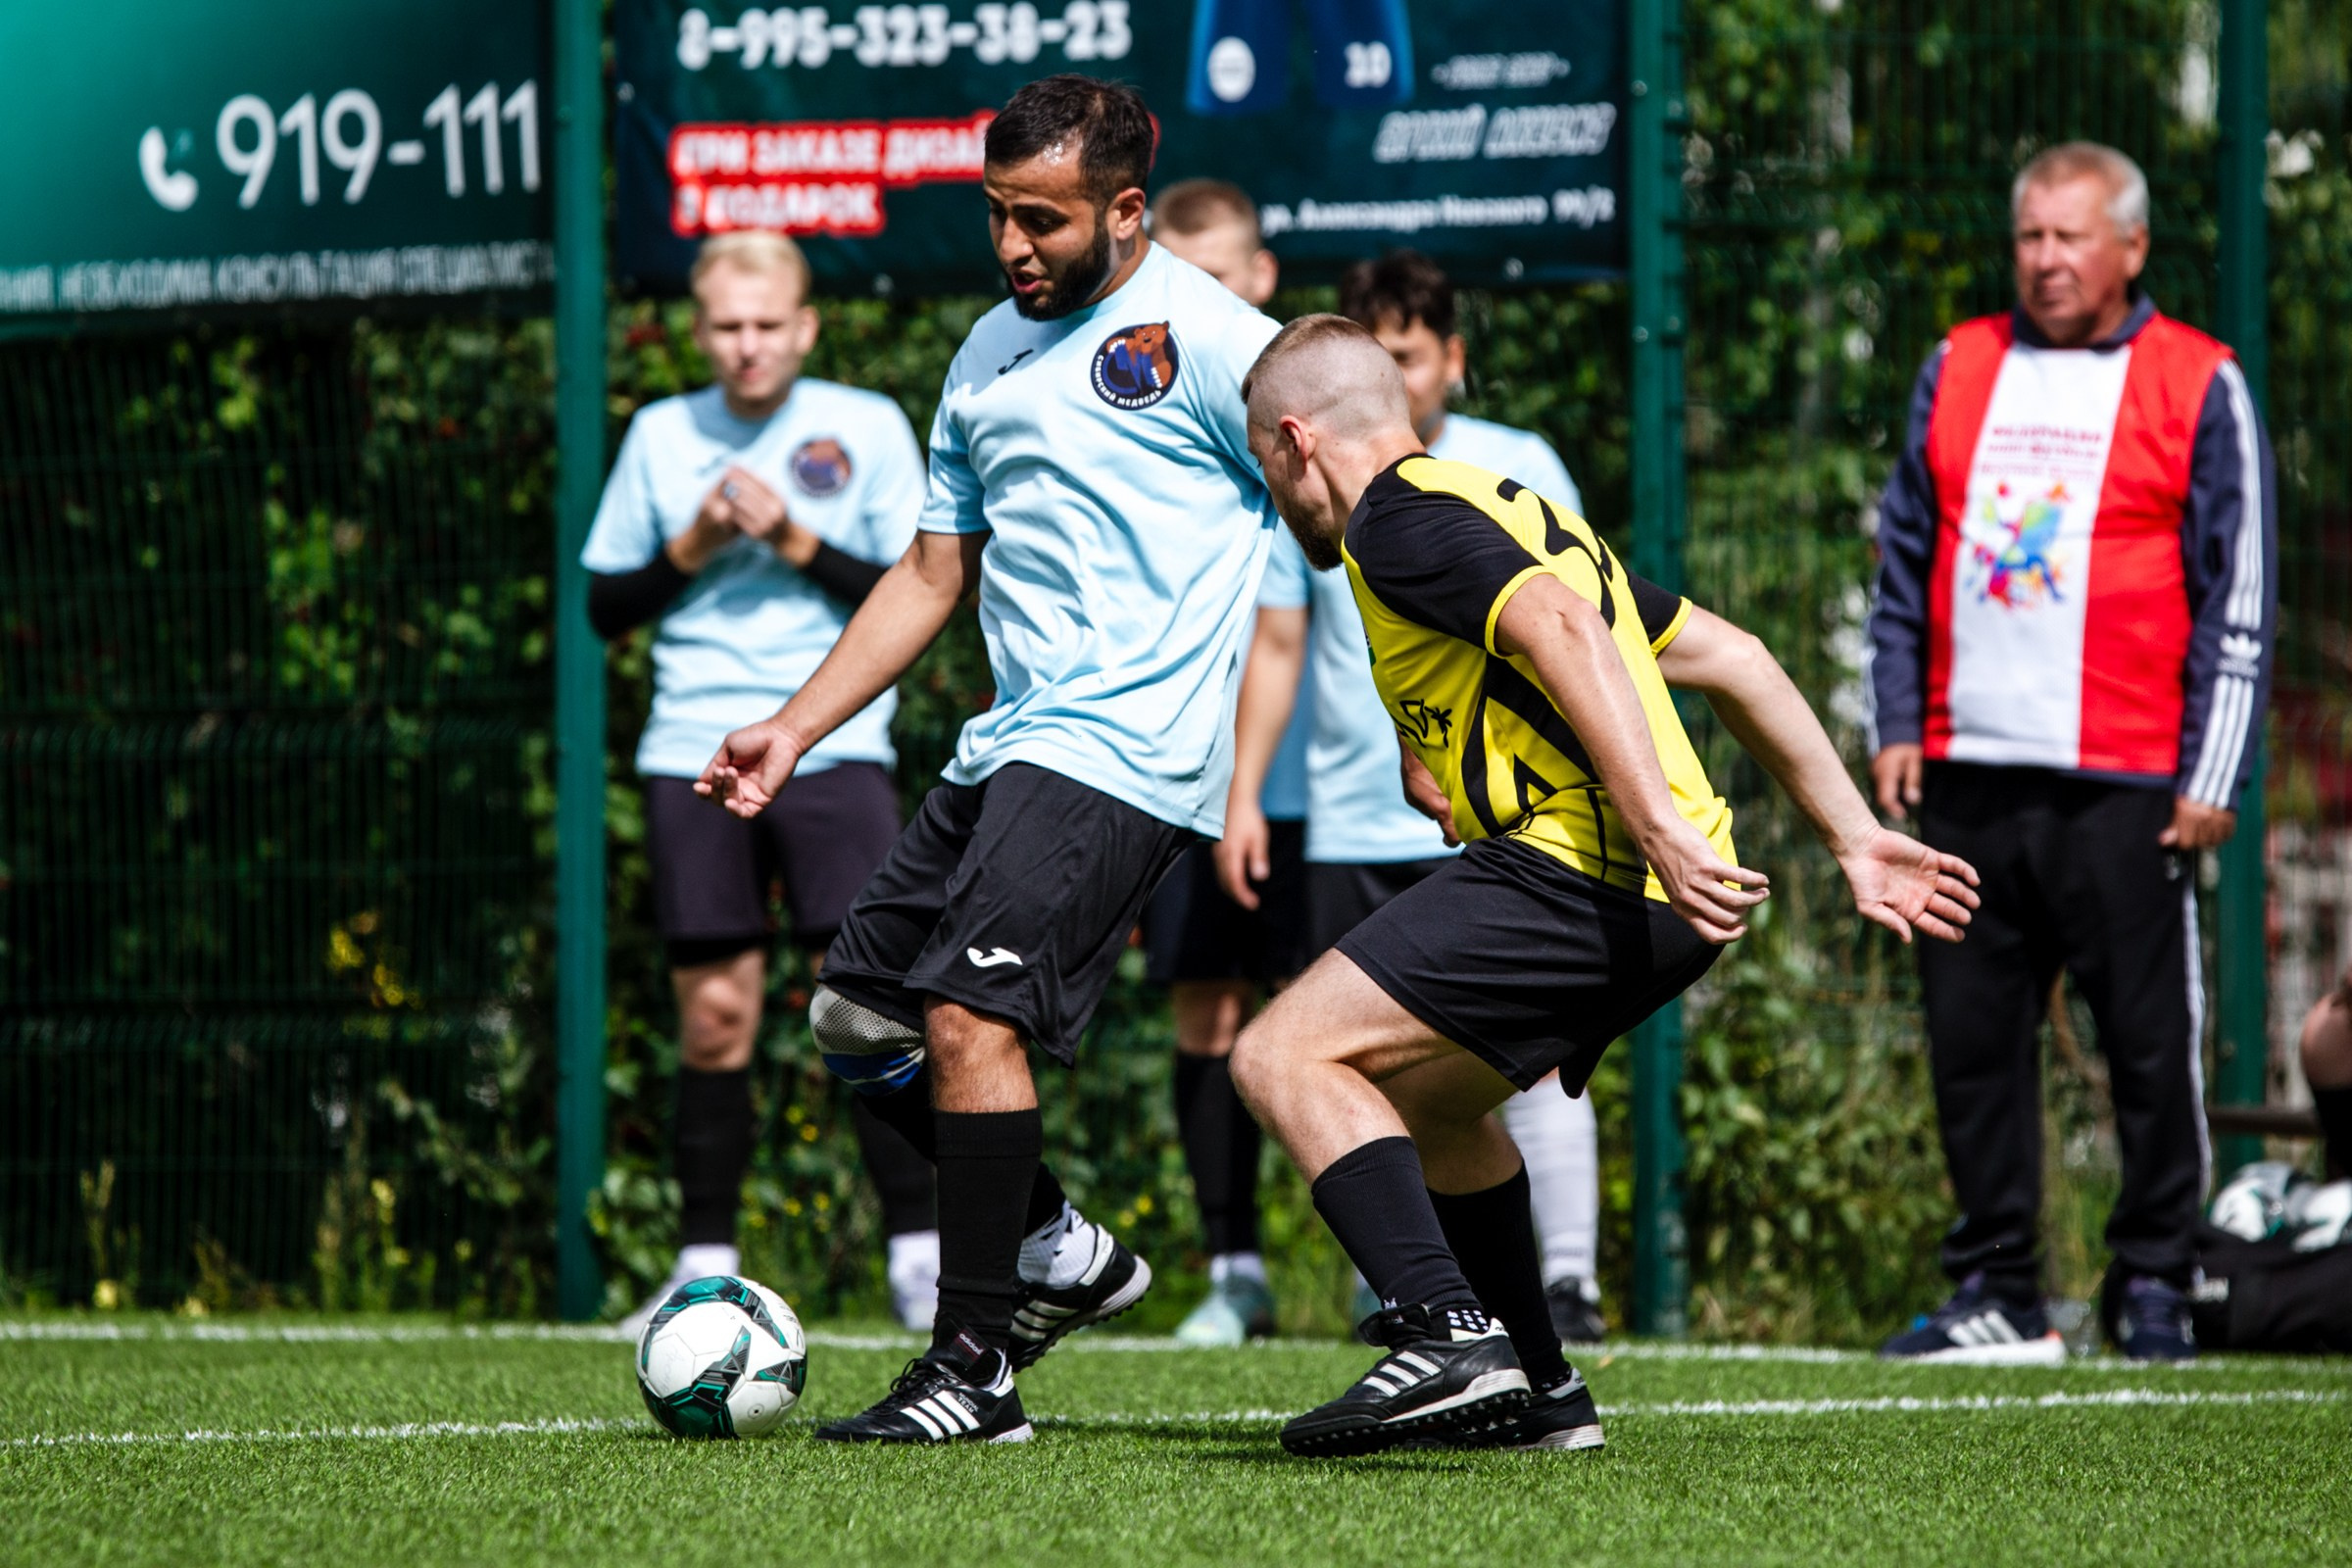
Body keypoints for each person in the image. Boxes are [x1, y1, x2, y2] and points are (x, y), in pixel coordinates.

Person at [1226, 314, 1979, 1457]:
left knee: (1279, 1053)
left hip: (1594, 868)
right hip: (1654, 895)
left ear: (1295, 442)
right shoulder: (1505, 503)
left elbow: (1562, 629)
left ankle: (1443, 1331)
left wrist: (1657, 826)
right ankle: (1541, 1389)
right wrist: (1854, 835)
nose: (1279, 502)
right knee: (1431, 1105)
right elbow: (1734, 656)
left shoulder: (1397, 522)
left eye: (1266, 470)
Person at [698, 76, 1282, 1445]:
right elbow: (927, 570)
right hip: (1010, 744)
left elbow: (1350, 486)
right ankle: (1060, 1250)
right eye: (996, 215)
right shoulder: (983, 352)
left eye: (1043, 220)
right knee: (856, 1019)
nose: (1014, 245)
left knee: (970, 1018)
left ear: (1127, 212)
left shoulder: (1212, 338)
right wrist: (794, 726)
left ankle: (973, 1369)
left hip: (1129, 751)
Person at [1865, 142, 2278, 1363]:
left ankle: (2156, 1275)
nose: (2046, 260)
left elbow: (2238, 594)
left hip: (2132, 783)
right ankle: (1997, 1284)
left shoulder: (2200, 380)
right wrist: (1896, 720)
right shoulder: (1958, 363)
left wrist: (2214, 775)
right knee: (1972, 1043)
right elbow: (1901, 565)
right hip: (1967, 773)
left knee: (2152, 1046)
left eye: (2071, 237)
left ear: (2132, 248)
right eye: (2030, 237)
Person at [582, 231, 941, 1337]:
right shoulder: (660, 434)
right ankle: (702, 1267)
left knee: (869, 1007)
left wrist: (788, 534)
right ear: (699, 333)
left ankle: (920, 1255)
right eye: (726, 328)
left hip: (834, 743)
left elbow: (913, 583)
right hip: (692, 748)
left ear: (805, 327)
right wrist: (691, 543)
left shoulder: (868, 424)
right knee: (717, 1016)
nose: (747, 347)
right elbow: (606, 607)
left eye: (766, 326)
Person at [1275, 248, 1615, 1341]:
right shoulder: (1332, 499)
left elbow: (1566, 628)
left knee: (1512, 1066)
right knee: (1377, 1067)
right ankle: (1419, 1293)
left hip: (1517, 820)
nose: (1398, 380)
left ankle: (1560, 1283)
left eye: (1410, 357)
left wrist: (1643, 810)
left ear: (1450, 362)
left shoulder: (1501, 469)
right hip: (1349, 810)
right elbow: (1314, 641)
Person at [1137, 177, 1309, 1347]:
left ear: (1261, 278)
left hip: (1323, 799)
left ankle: (1379, 1269)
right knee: (1208, 1014)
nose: (1199, 297)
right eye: (1176, 275)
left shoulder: (1316, 411)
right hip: (1177, 778)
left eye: (1218, 274)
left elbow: (1296, 630)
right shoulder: (1135, 408)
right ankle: (1234, 1267)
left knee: (1349, 1019)